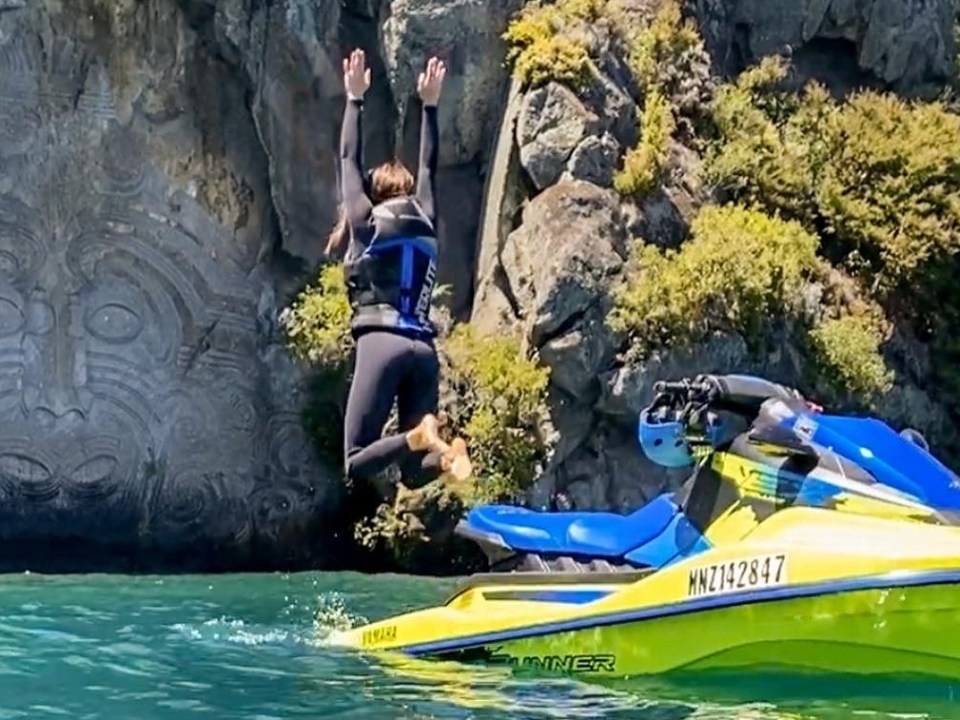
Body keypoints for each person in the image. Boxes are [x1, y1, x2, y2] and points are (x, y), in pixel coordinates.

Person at [329, 48, 471, 496]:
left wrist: (354, 100)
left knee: (356, 461)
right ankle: (446, 450)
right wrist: (429, 106)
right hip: (424, 351)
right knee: (414, 472)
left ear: (374, 193)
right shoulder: (426, 219)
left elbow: (348, 159)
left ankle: (419, 435)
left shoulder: (365, 222)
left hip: (381, 343)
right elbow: (428, 167)